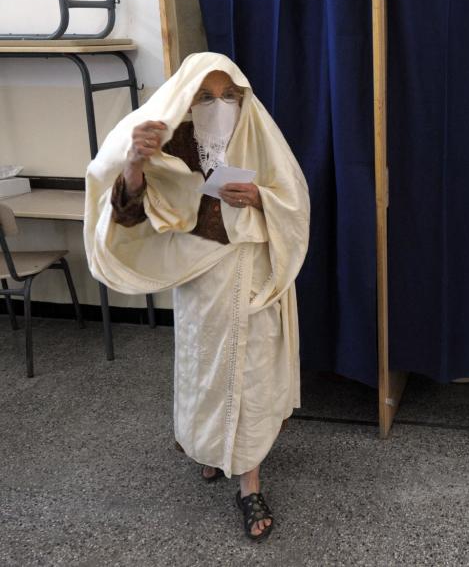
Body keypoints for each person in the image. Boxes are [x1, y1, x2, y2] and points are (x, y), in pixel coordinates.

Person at [84, 52, 309, 541]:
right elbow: (127, 217)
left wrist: (261, 200)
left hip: (253, 273)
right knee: (203, 370)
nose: (219, 105)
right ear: (188, 99)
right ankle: (211, 449)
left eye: (229, 95)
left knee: (248, 375)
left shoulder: (259, 133)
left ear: (243, 97)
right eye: (206, 96)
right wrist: (134, 165)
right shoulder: (170, 142)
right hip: (199, 279)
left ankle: (248, 483)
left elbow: (294, 198)